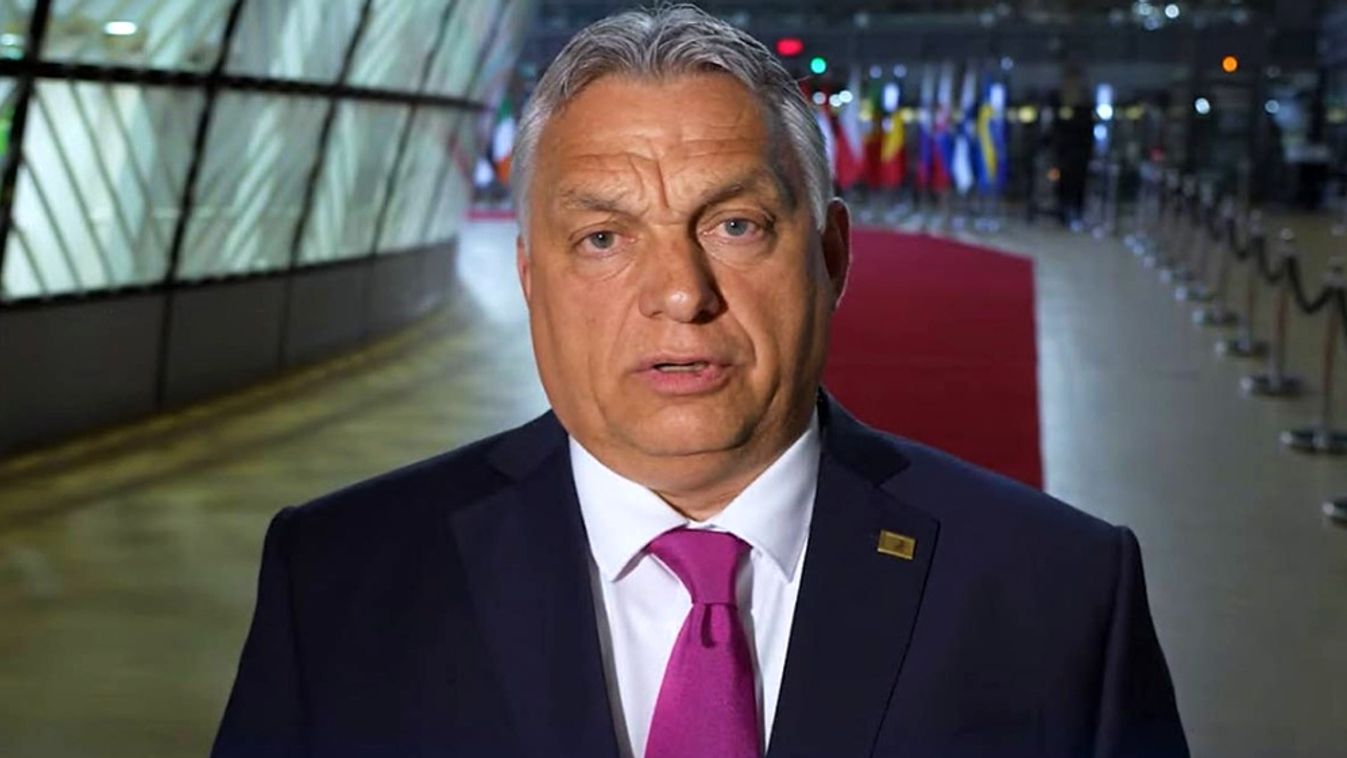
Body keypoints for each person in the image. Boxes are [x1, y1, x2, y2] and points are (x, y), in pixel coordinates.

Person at [212, 6, 1188, 757]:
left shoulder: (1058, 590)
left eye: (735, 225)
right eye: (603, 238)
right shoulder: (338, 576)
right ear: (530, 277)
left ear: (832, 256)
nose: (680, 293)